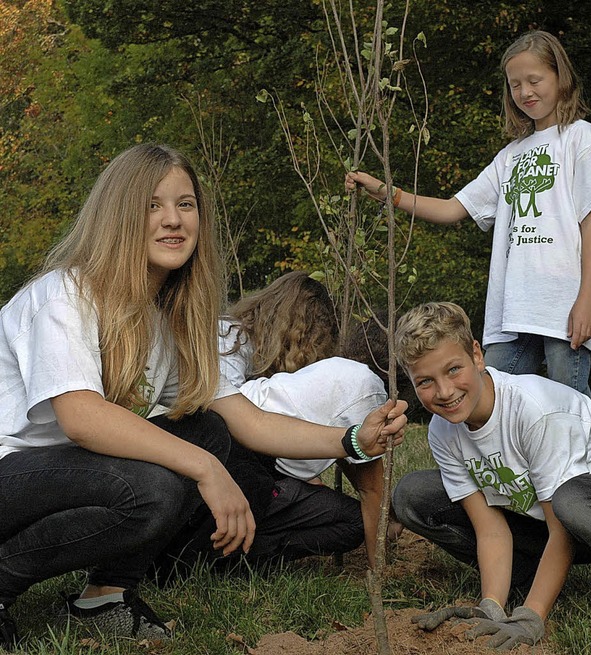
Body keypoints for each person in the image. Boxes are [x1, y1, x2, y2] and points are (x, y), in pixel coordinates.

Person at [0, 143, 407, 650]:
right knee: (157, 484)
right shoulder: (67, 294)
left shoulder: (167, 320)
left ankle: (104, 598)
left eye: (185, 204)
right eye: (152, 204)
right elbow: (82, 417)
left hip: (71, 474)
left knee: (205, 429)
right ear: (118, 214)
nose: (173, 220)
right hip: (12, 472)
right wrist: (207, 469)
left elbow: (248, 422)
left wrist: (352, 439)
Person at [345, 30, 591, 397]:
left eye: (534, 80)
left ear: (560, 78)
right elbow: (452, 209)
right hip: (512, 308)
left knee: (567, 407)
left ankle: (588, 457)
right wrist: (384, 191)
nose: (525, 92)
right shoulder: (509, 156)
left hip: (564, 303)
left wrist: (586, 299)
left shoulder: (580, 137)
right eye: (515, 84)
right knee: (493, 400)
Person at [391, 301, 591, 649]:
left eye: (453, 370)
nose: (445, 392)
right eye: (426, 382)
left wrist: (531, 617)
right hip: (544, 520)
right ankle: (523, 584)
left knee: (572, 502)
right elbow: (491, 528)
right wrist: (490, 605)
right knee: (413, 495)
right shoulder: (442, 432)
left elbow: (563, 527)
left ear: (477, 356)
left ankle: (535, 600)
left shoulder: (535, 410)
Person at [217, 272, 388, 568]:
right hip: (225, 459)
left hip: (250, 461)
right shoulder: (228, 338)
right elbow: (229, 418)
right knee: (349, 521)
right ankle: (244, 555)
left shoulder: (250, 350)